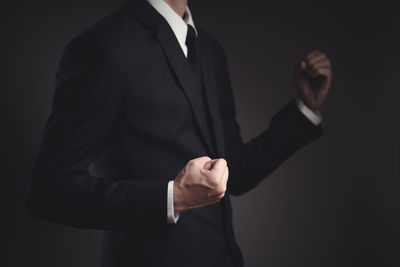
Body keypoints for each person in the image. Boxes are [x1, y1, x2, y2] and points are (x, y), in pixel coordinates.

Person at [26, 0, 332, 266]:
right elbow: (49, 191)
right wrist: (171, 198)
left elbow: (234, 171)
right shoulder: (102, 48)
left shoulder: (210, 50)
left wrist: (304, 110)